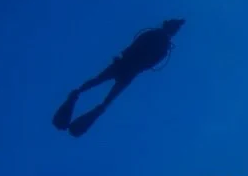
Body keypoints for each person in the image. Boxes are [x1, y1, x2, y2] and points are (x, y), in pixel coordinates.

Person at [52, 18, 185, 137]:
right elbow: (151, 60)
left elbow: (139, 49)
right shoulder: (161, 42)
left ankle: (78, 97)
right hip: (129, 68)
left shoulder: (157, 38)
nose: (174, 32)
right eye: (175, 29)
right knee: (105, 91)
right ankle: (83, 102)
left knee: (99, 83)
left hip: (126, 65)